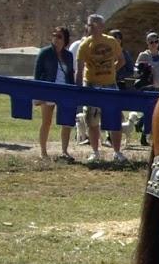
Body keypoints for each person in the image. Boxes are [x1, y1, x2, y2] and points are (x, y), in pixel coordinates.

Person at [75, 13, 126, 162]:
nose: (90, 27)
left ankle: (117, 152)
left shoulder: (111, 41)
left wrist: (111, 71)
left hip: (110, 85)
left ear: (101, 26)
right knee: (92, 120)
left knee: (114, 118)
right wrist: (79, 88)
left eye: (94, 24)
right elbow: (79, 68)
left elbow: (121, 60)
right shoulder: (84, 45)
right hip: (91, 84)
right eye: (89, 24)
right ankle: (95, 151)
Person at [34, 25, 77, 160]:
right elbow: (37, 74)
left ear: (65, 40)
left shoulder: (68, 56)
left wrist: (72, 92)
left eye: (59, 37)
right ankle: (43, 151)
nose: (56, 39)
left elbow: (70, 75)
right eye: (54, 35)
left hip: (64, 91)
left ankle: (64, 151)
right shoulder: (45, 53)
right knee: (46, 121)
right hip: (48, 89)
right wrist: (39, 94)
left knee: (66, 122)